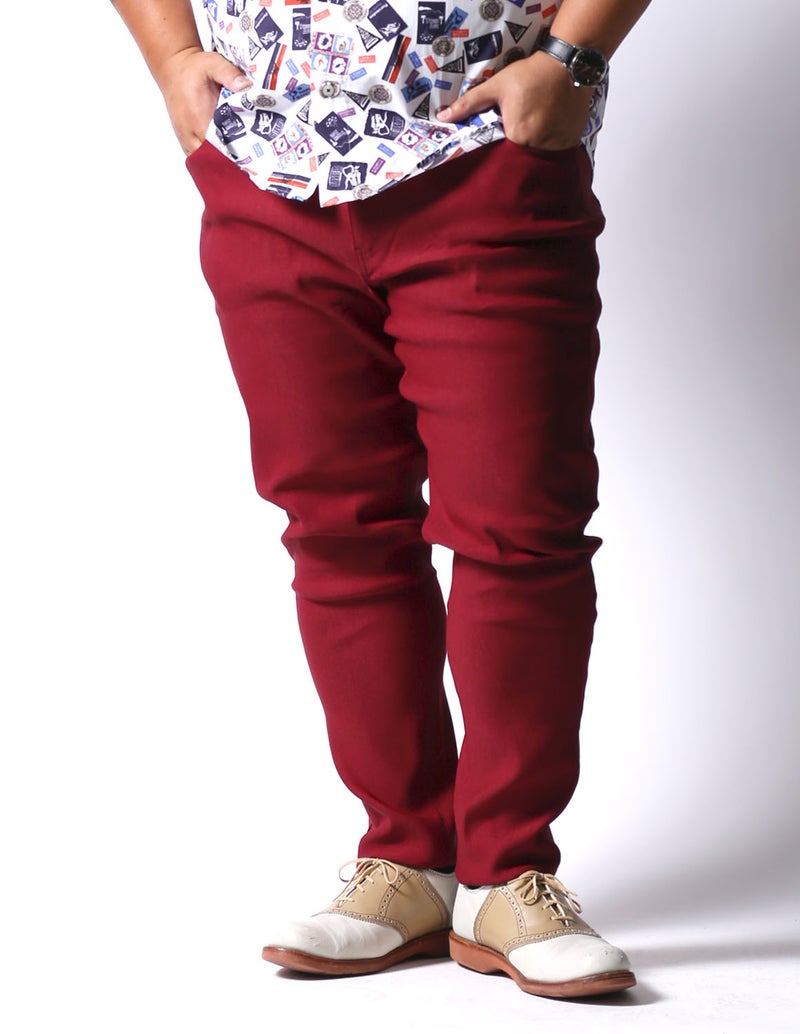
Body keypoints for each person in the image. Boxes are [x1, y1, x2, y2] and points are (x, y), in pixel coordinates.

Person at [114, 0, 651, 1000]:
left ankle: (507, 873)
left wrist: (571, 58)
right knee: (337, 528)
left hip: (478, 153)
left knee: (517, 524)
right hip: (268, 163)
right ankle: (407, 859)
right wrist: (173, 55)